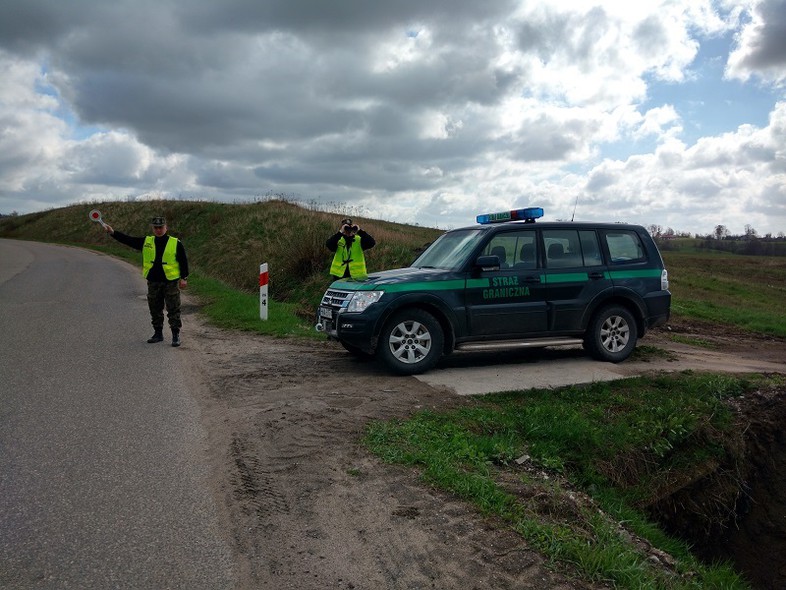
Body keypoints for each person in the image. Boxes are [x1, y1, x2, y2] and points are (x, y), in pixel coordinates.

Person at [103, 216, 189, 347]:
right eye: (156, 228)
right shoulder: (147, 241)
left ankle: (175, 335)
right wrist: (113, 232)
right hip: (153, 281)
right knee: (155, 308)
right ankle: (158, 333)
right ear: (153, 228)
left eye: (161, 227)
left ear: (166, 228)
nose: (158, 230)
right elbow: (129, 240)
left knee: (173, 308)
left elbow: (183, 261)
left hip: (170, 282)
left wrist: (184, 278)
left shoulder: (175, 243)